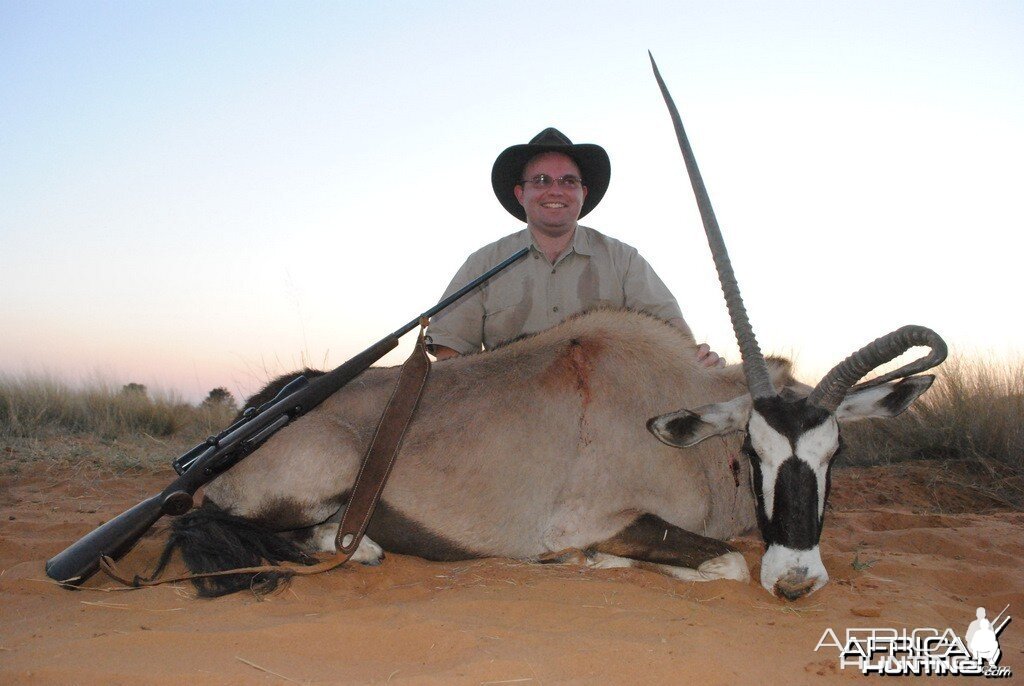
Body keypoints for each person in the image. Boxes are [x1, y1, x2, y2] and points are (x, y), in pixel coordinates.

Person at [425, 127, 721, 366]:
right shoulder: (483, 263)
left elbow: (670, 331)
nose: (555, 190)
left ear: (582, 193)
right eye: (541, 180)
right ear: (520, 193)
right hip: (512, 422)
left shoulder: (623, 259)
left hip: (610, 415)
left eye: (568, 181)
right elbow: (449, 352)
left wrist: (694, 360)